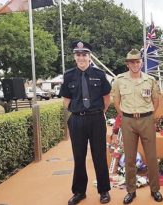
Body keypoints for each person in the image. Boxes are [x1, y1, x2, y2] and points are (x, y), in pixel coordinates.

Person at [59, 41, 111, 205]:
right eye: (78, 54)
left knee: (99, 156)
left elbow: (106, 99)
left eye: (85, 54)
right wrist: (78, 111)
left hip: (96, 119)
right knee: (79, 157)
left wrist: (97, 113)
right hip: (77, 120)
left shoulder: (100, 74)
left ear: (90, 57)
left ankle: (104, 191)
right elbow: (66, 101)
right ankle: (79, 192)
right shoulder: (68, 76)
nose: (81, 57)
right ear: (75, 57)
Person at [111, 49, 163, 204]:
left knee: (152, 156)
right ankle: (131, 191)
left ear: (142, 63)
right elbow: (116, 101)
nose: (135, 64)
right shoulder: (119, 80)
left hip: (147, 119)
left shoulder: (150, 80)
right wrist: (124, 115)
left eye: (137, 61)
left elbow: (156, 100)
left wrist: (150, 116)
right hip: (128, 121)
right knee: (129, 158)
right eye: (132, 62)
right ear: (128, 64)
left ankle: (155, 189)